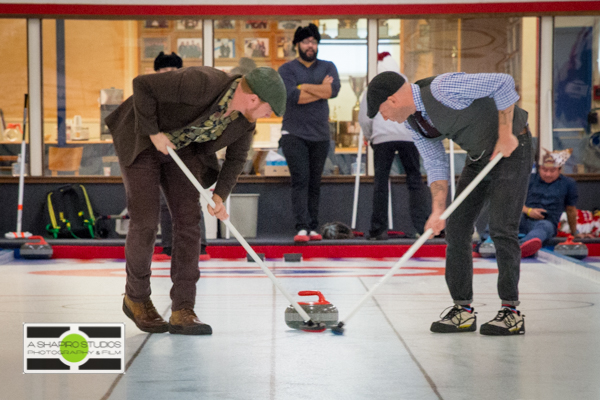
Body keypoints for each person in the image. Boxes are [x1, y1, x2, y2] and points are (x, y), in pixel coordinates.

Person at [106, 66, 286, 335]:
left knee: (189, 220)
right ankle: (137, 298)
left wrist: (219, 196)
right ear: (253, 99)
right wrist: (154, 133)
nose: (267, 116)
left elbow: (237, 159)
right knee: (146, 220)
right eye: (268, 110)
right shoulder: (201, 82)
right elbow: (142, 84)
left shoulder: (245, 120)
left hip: (183, 146)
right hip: (143, 135)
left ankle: (183, 308)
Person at [366, 71, 532, 336]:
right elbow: (435, 162)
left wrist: (504, 133)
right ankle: (462, 310)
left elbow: (503, 82)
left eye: (381, 111)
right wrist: (437, 211)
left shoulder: (444, 88)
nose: (384, 118)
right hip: (479, 158)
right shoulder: (414, 123)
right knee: (456, 227)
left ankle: (510, 312)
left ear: (392, 99)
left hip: (513, 148)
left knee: (501, 227)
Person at [278, 23, 341, 242]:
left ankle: (313, 227)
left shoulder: (328, 66)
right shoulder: (286, 70)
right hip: (293, 134)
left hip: (320, 135)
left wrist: (304, 86)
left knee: (315, 182)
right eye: (305, 41)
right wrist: (319, 89)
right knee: (301, 179)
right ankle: (302, 227)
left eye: (314, 41)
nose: (310, 45)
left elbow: (332, 91)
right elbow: (294, 97)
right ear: (297, 44)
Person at [358, 52, 429, 240]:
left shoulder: (373, 87)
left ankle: (379, 229)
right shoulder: (408, 85)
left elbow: (365, 116)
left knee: (381, 182)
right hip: (409, 135)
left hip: (382, 137)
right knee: (414, 180)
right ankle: (423, 227)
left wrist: (369, 136)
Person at [151, 52, 210, 262]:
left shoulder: (190, 97)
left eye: (173, 71)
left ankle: (199, 247)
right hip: (160, 153)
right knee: (165, 201)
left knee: (191, 200)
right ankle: (169, 246)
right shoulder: (151, 97)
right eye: (163, 71)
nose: (168, 75)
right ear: (156, 73)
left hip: (187, 153)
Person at [520, 148, 580, 256]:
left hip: (547, 223)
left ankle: (524, 246)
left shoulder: (569, 184)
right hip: (523, 218)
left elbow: (571, 210)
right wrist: (528, 211)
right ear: (539, 169)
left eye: (552, 171)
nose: (548, 174)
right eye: (544, 170)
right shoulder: (529, 179)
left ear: (559, 169)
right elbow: (513, 202)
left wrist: (574, 232)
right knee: (507, 216)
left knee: (544, 226)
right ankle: (488, 241)